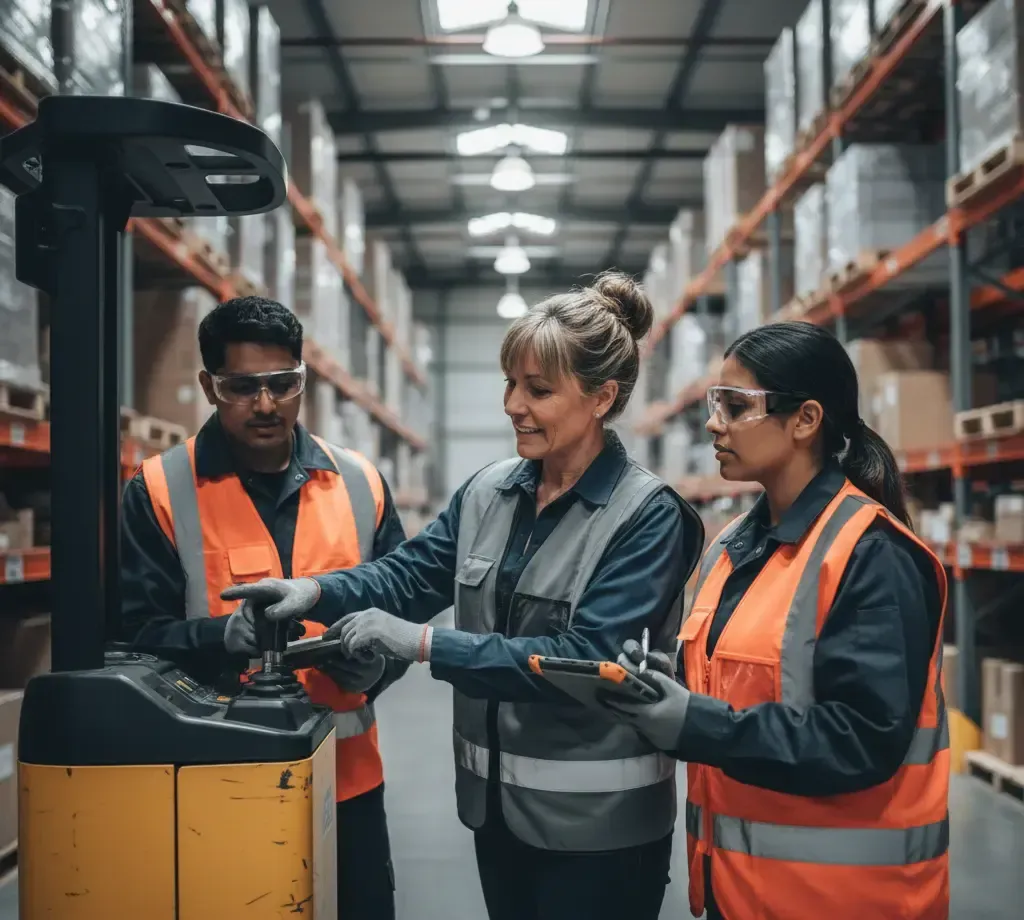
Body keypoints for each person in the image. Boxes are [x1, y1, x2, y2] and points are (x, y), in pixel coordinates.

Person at [222, 272, 705, 920]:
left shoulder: (647, 516)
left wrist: (424, 645)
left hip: (602, 830)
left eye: (538, 389)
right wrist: (312, 591)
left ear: (601, 397)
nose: (513, 404)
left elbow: (586, 657)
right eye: (510, 383)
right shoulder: (490, 491)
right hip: (496, 813)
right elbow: (409, 574)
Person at [600, 321, 949, 920]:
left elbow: (863, 739)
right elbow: (738, 682)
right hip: (738, 894)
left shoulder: (872, 555)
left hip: (846, 902)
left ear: (806, 420)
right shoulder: (732, 546)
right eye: (716, 404)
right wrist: (670, 686)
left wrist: (697, 723)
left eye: (736, 407)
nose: (714, 423)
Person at [119, 295, 407, 920]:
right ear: (209, 386)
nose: (267, 404)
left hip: (347, 777)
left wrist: (375, 671)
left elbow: (399, 607)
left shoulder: (360, 483)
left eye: (284, 383)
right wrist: (225, 637)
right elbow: (133, 635)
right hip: (213, 777)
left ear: (303, 378)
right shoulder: (161, 489)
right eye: (242, 387)